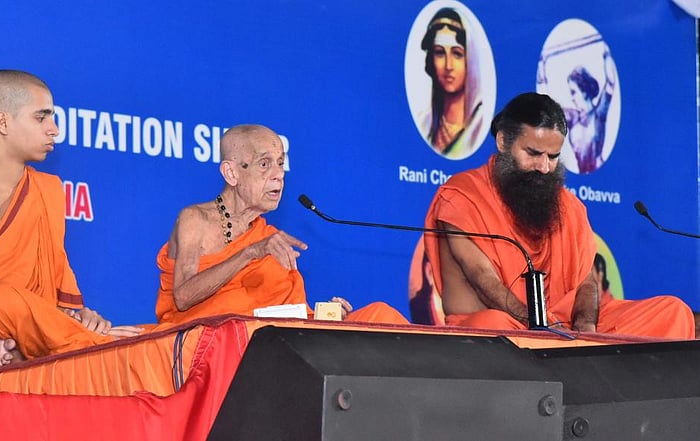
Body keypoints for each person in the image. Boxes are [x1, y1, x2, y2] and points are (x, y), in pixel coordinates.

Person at [423, 92, 694, 339]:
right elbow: (483, 278)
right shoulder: (463, 195)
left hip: (563, 327)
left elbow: (587, 282)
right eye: (533, 153)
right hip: (504, 324)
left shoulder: (568, 206)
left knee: (672, 311)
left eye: (553, 157)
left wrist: (585, 328)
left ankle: (584, 355)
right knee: (494, 325)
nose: (544, 167)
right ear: (503, 141)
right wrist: (541, 326)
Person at [0, 70, 141, 372]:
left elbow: (59, 300)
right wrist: (63, 326)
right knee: (2, 300)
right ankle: (85, 343)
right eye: (41, 118)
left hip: (36, 332)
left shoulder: (48, 190)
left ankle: (47, 344)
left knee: (141, 332)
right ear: (3, 123)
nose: (54, 130)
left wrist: (79, 317)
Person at [155, 124, 408, 326]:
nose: (278, 175)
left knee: (380, 316)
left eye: (280, 163)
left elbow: (284, 313)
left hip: (267, 337)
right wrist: (250, 253)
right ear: (231, 173)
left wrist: (324, 317)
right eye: (264, 164)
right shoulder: (195, 218)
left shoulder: (268, 238)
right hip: (215, 338)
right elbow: (183, 297)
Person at [418, 7, 484, 159]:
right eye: (440, 52)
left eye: (457, 54)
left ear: (470, 60)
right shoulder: (424, 122)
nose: (448, 66)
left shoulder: (479, 125)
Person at [563, 50, 615, 174]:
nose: (572, 98)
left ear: (584, 92)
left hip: (600, 174)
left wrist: (607, 55)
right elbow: (548, 106)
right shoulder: (573, 118)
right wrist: (542, 78)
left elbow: (610, 83)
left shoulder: (599, 114)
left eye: (573, 92)